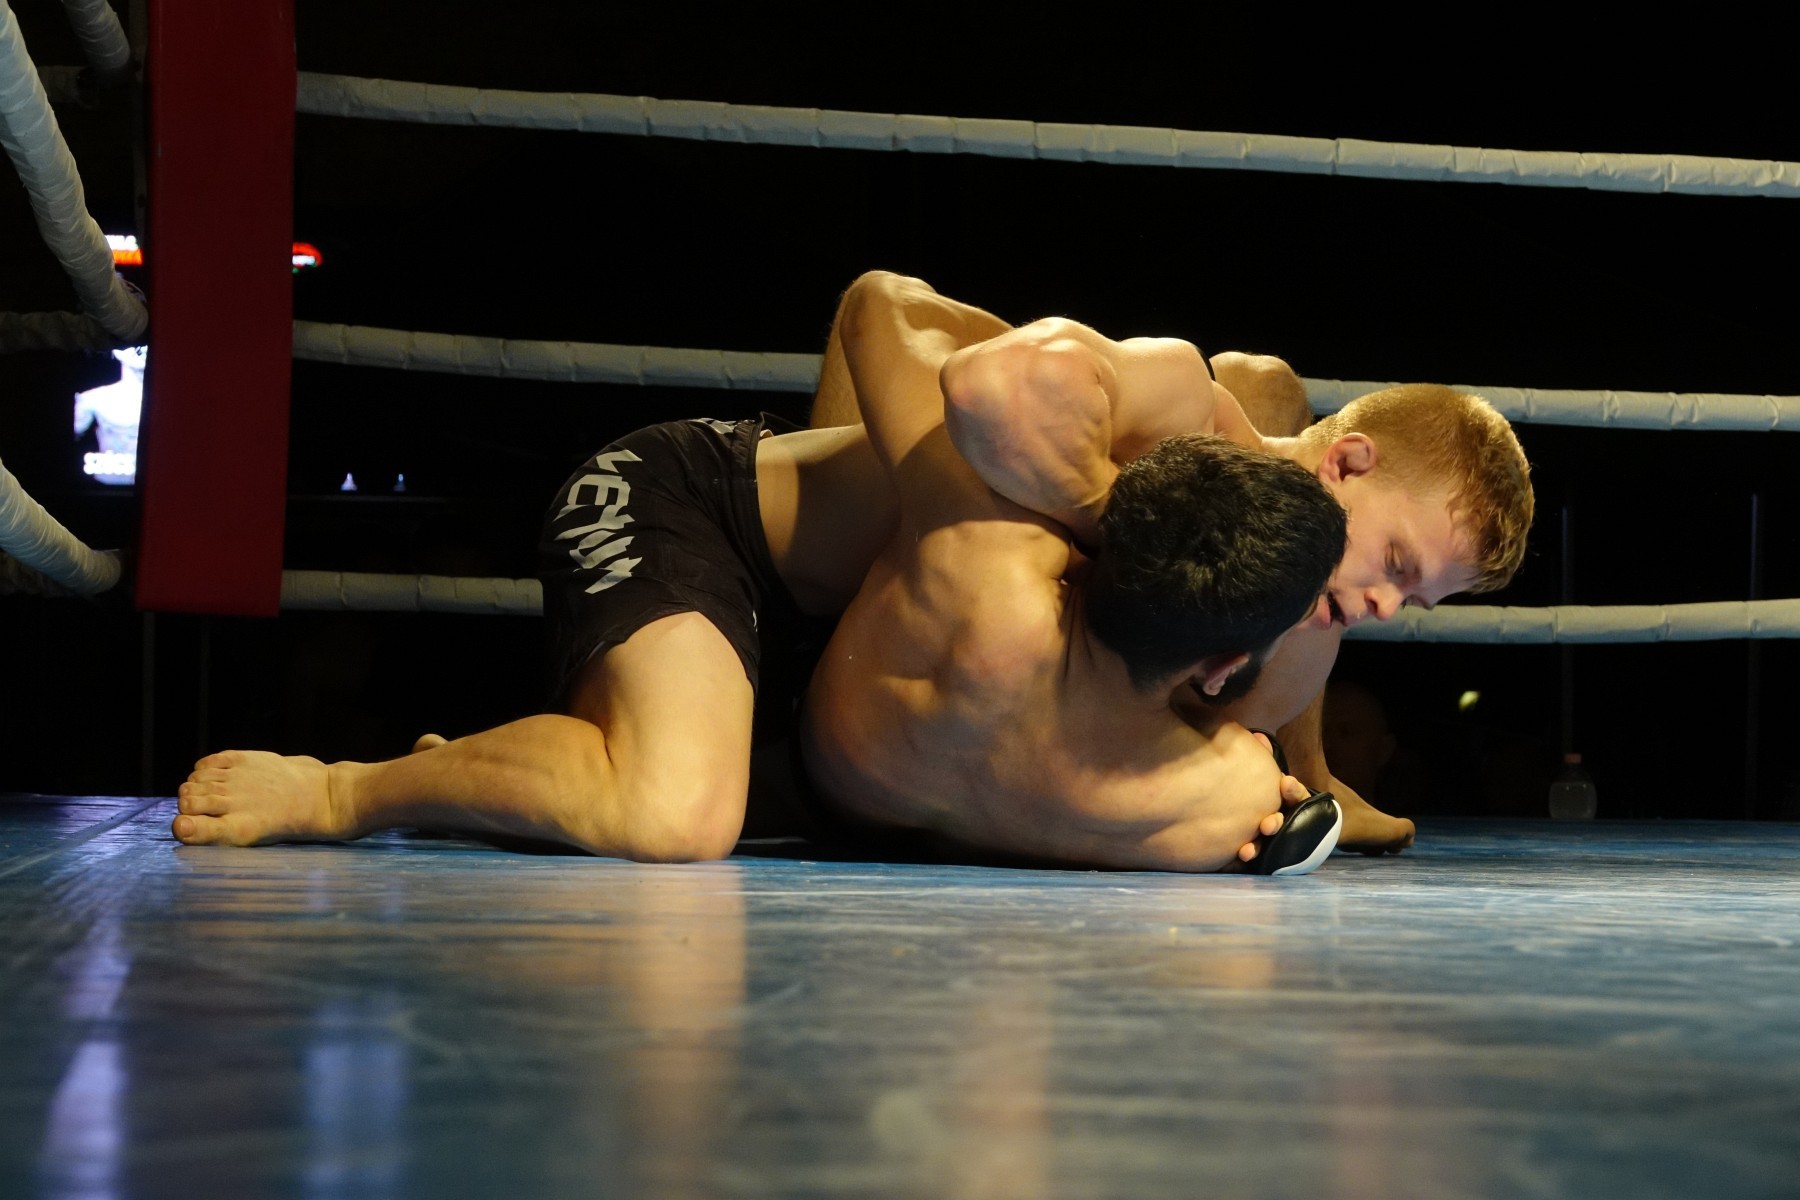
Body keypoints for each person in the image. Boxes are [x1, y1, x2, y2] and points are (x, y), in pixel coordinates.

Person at [800, 280, 1349, 870]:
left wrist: (1096, 503)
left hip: (811, 745)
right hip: (828, 767)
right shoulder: (1221, 798)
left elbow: (878, 303)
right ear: (1221, 670)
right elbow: (1290, 826)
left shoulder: (988, 543)